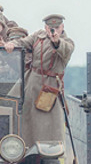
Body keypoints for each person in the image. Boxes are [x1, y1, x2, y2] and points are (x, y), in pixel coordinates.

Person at [4, 14, 74, 146]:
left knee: (49, 125)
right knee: (21, 115)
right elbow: (23, 42)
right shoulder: (38, 36)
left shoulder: (67, 42)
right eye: (50, 28)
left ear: (62, 27)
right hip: (32, 82)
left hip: (50, 87)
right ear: (45, 27)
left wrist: (56, 41)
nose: (53, 31)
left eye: (57, 27)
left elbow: (65, 49)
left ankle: (50, 154)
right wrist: (12, 44)